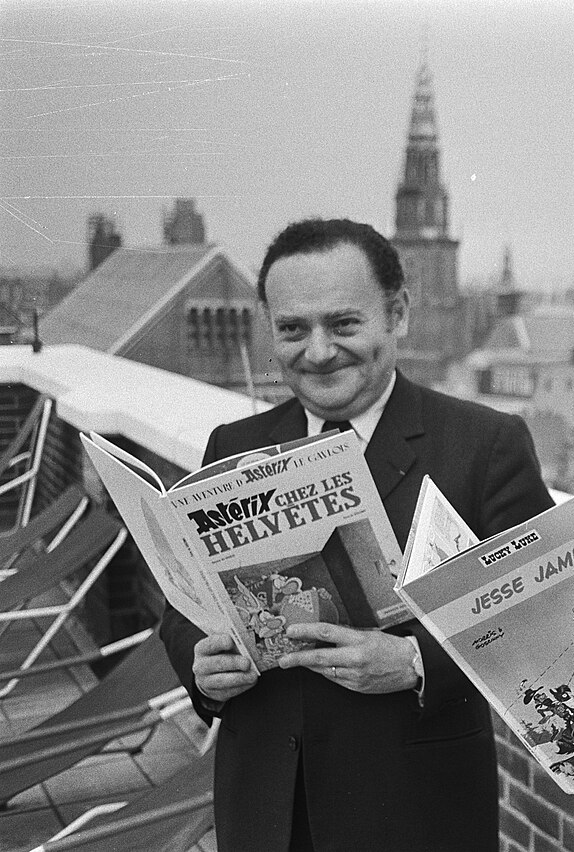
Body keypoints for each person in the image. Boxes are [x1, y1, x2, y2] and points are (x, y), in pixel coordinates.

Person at [159, 218, 553, 852]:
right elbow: (183, 606)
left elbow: (537, 619)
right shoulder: (233, 447)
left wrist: (416, 662)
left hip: (414, 811)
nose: (317, 352)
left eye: (343, 325)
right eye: (292, 329)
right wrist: (200, 668)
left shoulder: (485, 447)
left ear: (396, 315)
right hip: (265, 807)